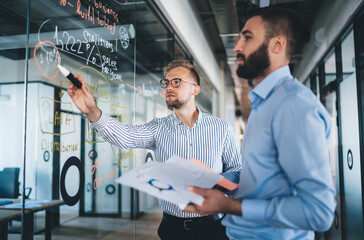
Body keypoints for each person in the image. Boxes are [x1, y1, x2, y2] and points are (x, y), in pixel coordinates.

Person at [184, 7, 337, 240]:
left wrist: (230, 206)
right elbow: (263, 180)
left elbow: (319, 212)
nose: (237, 47)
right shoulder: (263, 103)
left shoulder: (292, 105)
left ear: (277, 44)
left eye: (247, 37)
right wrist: (216, 179)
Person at [67, 60, 242, 240]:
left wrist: (215, 182)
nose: (169, 87)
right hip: (172, 228)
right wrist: (92, 110)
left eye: (177, 82)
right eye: (166, 83)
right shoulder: (158, 128)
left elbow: (237, 170)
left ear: (195, 89)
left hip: (214, 227)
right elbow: (124, 136)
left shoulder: (222, 128)